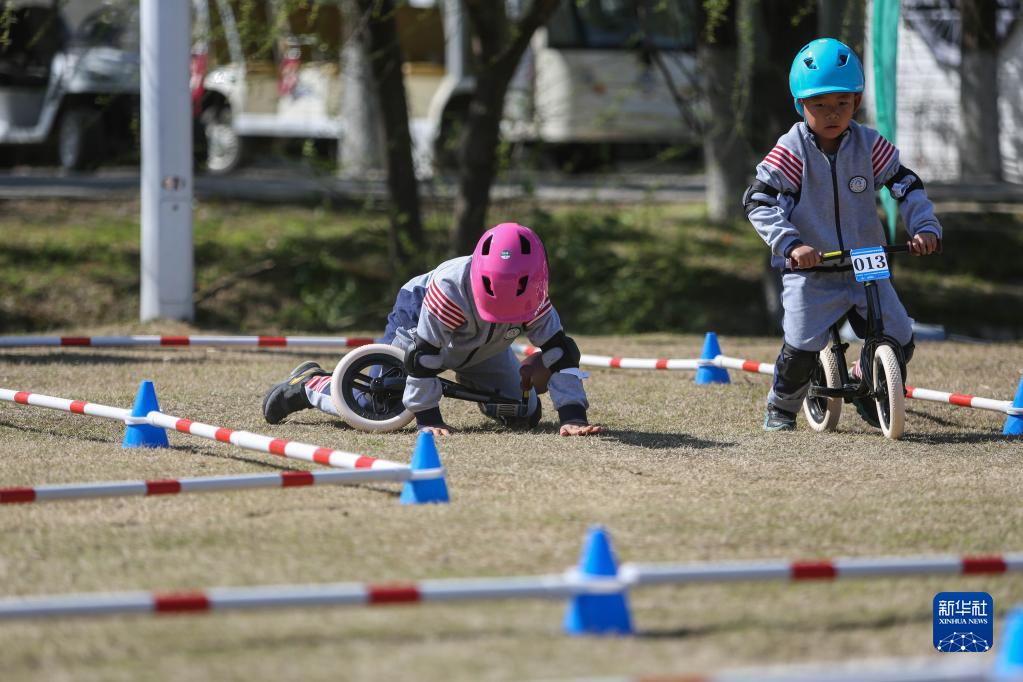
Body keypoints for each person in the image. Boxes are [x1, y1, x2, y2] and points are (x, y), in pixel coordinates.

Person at [743, 38, 941, 431]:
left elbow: (905, 183)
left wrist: (924, 227)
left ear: (858, 101)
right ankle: (781, 406)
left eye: (843, 104)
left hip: (866, 265)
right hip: (812, 270)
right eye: (820, 105)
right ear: (800, 105)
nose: (833, 114)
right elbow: (757, 200)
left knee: (900, 337)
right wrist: (792, 244)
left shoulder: (868, 145)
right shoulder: (792, 150)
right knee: (801, 345)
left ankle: (868, 383)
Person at [262, 222, 603, 437]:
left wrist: (572, 415)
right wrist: (428, 419)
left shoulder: (536, 296)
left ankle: (478, 383)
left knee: (523, 413)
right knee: (374, 405)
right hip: (419, 327)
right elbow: (423, 359)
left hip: (486, 347)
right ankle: (310, 384)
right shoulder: (449, 288)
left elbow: (561, 354)